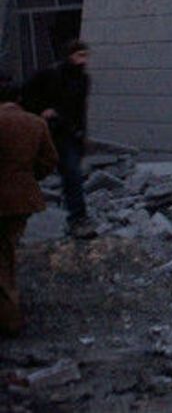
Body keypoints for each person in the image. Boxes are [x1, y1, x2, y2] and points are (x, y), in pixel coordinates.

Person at [0, 82, 59, 335]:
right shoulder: (35, 123)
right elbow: (49, 160)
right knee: (6, 254)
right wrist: (26, 178)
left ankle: (10, 319)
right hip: (21, 201)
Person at [22, 40, 94, 238]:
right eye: (80, 55)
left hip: (68, 134)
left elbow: (80, 111)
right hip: (48, 132)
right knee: (29, 173)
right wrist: (41, 112)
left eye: (85, 56)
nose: (83, 60)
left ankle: (77, 218)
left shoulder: (83, 80)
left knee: (72, 175)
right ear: (71, 55)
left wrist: (81, 135)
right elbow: (26, 93)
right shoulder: (51, 74)